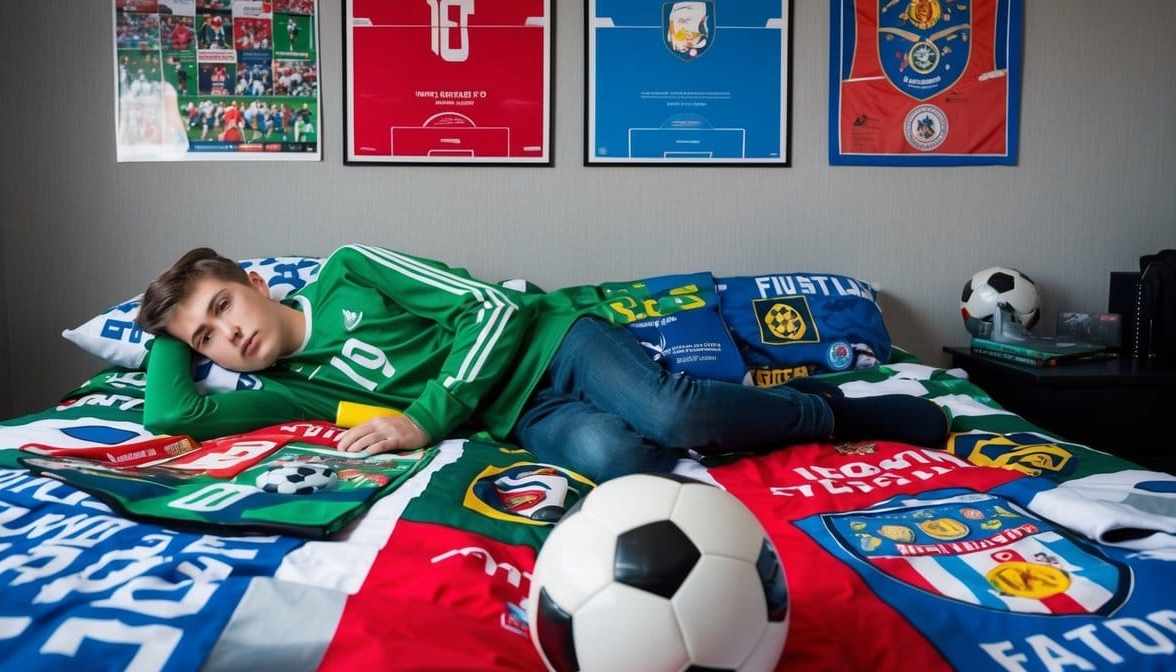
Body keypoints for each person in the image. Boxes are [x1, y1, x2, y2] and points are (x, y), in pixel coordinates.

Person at [137, 245, 949, 483]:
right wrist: (163, 329)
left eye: (220, 308)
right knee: (623, 462)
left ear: (254, 281)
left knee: (674, 413)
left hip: (555, 342)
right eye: (203, 340)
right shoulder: (287, 387)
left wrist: (422, 418)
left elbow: (493, 307)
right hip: (519, 415)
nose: (225, 336)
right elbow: (173, 416)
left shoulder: (349, 271)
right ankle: (758, 419)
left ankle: (829, 409)